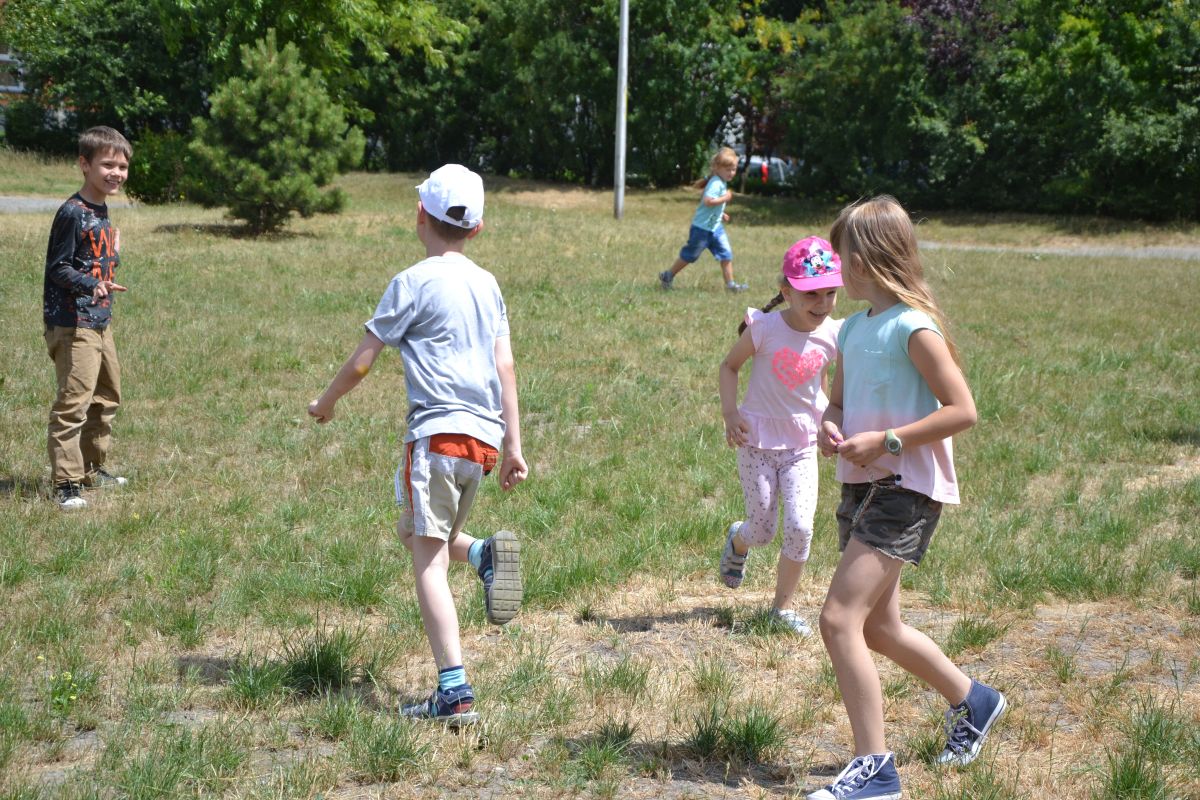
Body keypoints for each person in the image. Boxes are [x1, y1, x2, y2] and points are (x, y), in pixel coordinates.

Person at [308, 164, 528, 726]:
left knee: (426, 561)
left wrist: (326, 401)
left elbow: (363, 360)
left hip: (435, 436)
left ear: (419, 216)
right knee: (418, 532)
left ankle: (453, 690)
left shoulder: (412, 281)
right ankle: (483, 554)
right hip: (483, 443)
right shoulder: (489, 283)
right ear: (476, 229)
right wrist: (516, 445)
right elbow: (506, 367)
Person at [808, 196, 1005, 800]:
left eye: (846, 254)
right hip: (861, 485)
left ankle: (875, 769)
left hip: (905, 489)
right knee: (878, 627)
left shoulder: (914, 326)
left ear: (872, 256)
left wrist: (888, 439)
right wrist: (832, 426)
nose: (839, 267)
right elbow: (839, 400)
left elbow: (963, 410)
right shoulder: (855, 328)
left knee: (839, 619)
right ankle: (974, 701)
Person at [717, 236, 843, 636]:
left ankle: (781, 609)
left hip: (802, 445)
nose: (822, 304)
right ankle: (739, 539)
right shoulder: (766, 329)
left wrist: (827, 423)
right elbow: (729, 366)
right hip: (756, 442)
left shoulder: (832, 336)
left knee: (802, 526)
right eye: (811, 294)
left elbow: (819, 382)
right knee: (763, 529)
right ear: (787, 291)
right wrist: (730, 413)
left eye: (830, 293)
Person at [43, 126, 132, 510]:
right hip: (72, 321)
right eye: (107, 164)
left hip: (99, 320)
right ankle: (66, 483)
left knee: (106, 396)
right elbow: (58, 268)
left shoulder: (101, 209)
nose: (116, 173)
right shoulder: (72, 212)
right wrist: (91, 283)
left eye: (123, 166)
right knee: (73, 403)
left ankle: (93, 469)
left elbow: (92, 257)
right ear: (85, 164)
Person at [659, 147, 747, 293]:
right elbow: (707, 201)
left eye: (734, 169)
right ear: (717, 168)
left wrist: (721, 213)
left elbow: (712, 205)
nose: (731, 173)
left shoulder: (721, 181)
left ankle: (731, 285)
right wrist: (725, 198)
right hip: (702, 229)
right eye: (728, 169)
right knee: (690, 255)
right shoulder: (715, 183)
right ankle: (668, 275)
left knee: (726, 254)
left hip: (715, 228)